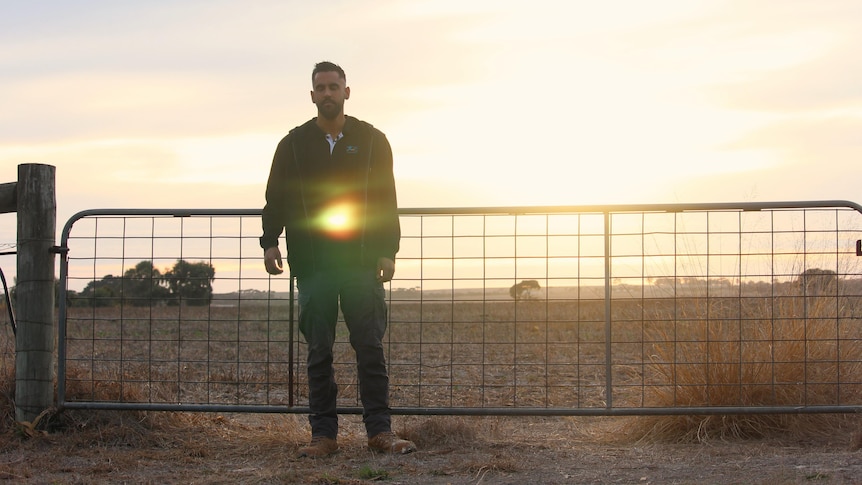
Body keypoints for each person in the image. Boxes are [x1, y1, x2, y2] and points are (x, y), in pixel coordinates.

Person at [260, 61, 416, 458]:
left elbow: (386, 198)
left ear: (347, 92)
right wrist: (269, 241)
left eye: (334, 86)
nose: (327, 93)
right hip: (313, 265)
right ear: (312, 96)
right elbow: (275, 195)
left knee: (369, 348)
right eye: (321, 88)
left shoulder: (372, 140)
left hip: (362, 263)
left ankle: (380, 433)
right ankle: (323, 437)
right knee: (319, 351)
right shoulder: (292, 144)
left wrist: (388, 249)